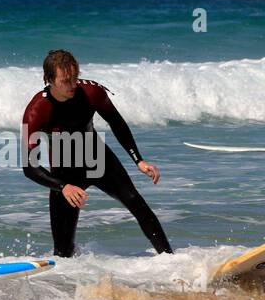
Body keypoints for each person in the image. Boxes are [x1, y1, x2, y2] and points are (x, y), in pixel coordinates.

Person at [21, 49, 172, 258]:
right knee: (63, 251)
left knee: (136, 203)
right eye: (66, 80)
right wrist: (62, 186)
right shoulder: (37, 110)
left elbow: (117, 123)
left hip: (98, 159)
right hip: (65, 174)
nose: (73, 84)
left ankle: (170, 260)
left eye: (75, 77)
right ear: (49, 79)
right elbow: (28, 166)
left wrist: (138, 160)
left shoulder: (91, 93)